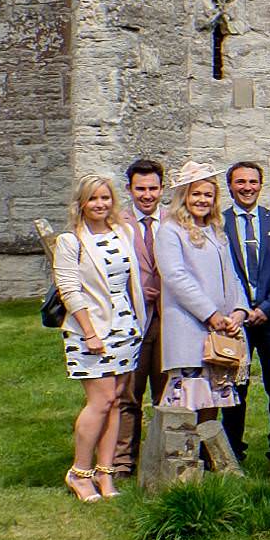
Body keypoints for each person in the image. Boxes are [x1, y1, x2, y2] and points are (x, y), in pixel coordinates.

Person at [53, 175, 145, 502]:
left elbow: (130, 282)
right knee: (100, 401)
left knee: (117, 401)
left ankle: (105, 475)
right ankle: (79, 472)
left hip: (125, 327)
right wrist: (90, 333)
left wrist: (136, 321)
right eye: (93, 199)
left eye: (105, 197)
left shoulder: (123, 232)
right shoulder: (70, 241)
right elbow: (69, 290)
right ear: (81, 203)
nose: (100, 204)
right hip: (90, 331)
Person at [152, 162, 253, 439]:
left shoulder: (215, 231)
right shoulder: (170, 230)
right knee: (188, 401)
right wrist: (210, 314)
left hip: (220, 330)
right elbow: (176, 277)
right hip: (191, 326)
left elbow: (231, 276)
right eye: (196, 194)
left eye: (207, 195)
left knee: (213, 400)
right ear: (184, 195)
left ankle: (208, 460)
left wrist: (238, 312)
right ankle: (181, 463)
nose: (202, 200)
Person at [219, 159, 270, 471]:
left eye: (252, 182)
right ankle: (233, 450)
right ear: (230, 186)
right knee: (235, 388)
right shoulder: (218, 226)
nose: (247, 188)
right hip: (235, 321)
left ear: (261, 185)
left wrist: (266, 307)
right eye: (240, 182)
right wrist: (241, 309)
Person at [108, 159, 167, 479]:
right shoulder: (118, 224)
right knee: (129, 393)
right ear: (130, 189)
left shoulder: (172, 221)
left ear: (162, 189)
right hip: (132, 318)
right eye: (140, 189)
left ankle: (161, 458)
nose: (147, 195)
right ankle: (122, 462)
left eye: (153, 188)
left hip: (170, 319)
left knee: (167, 392)